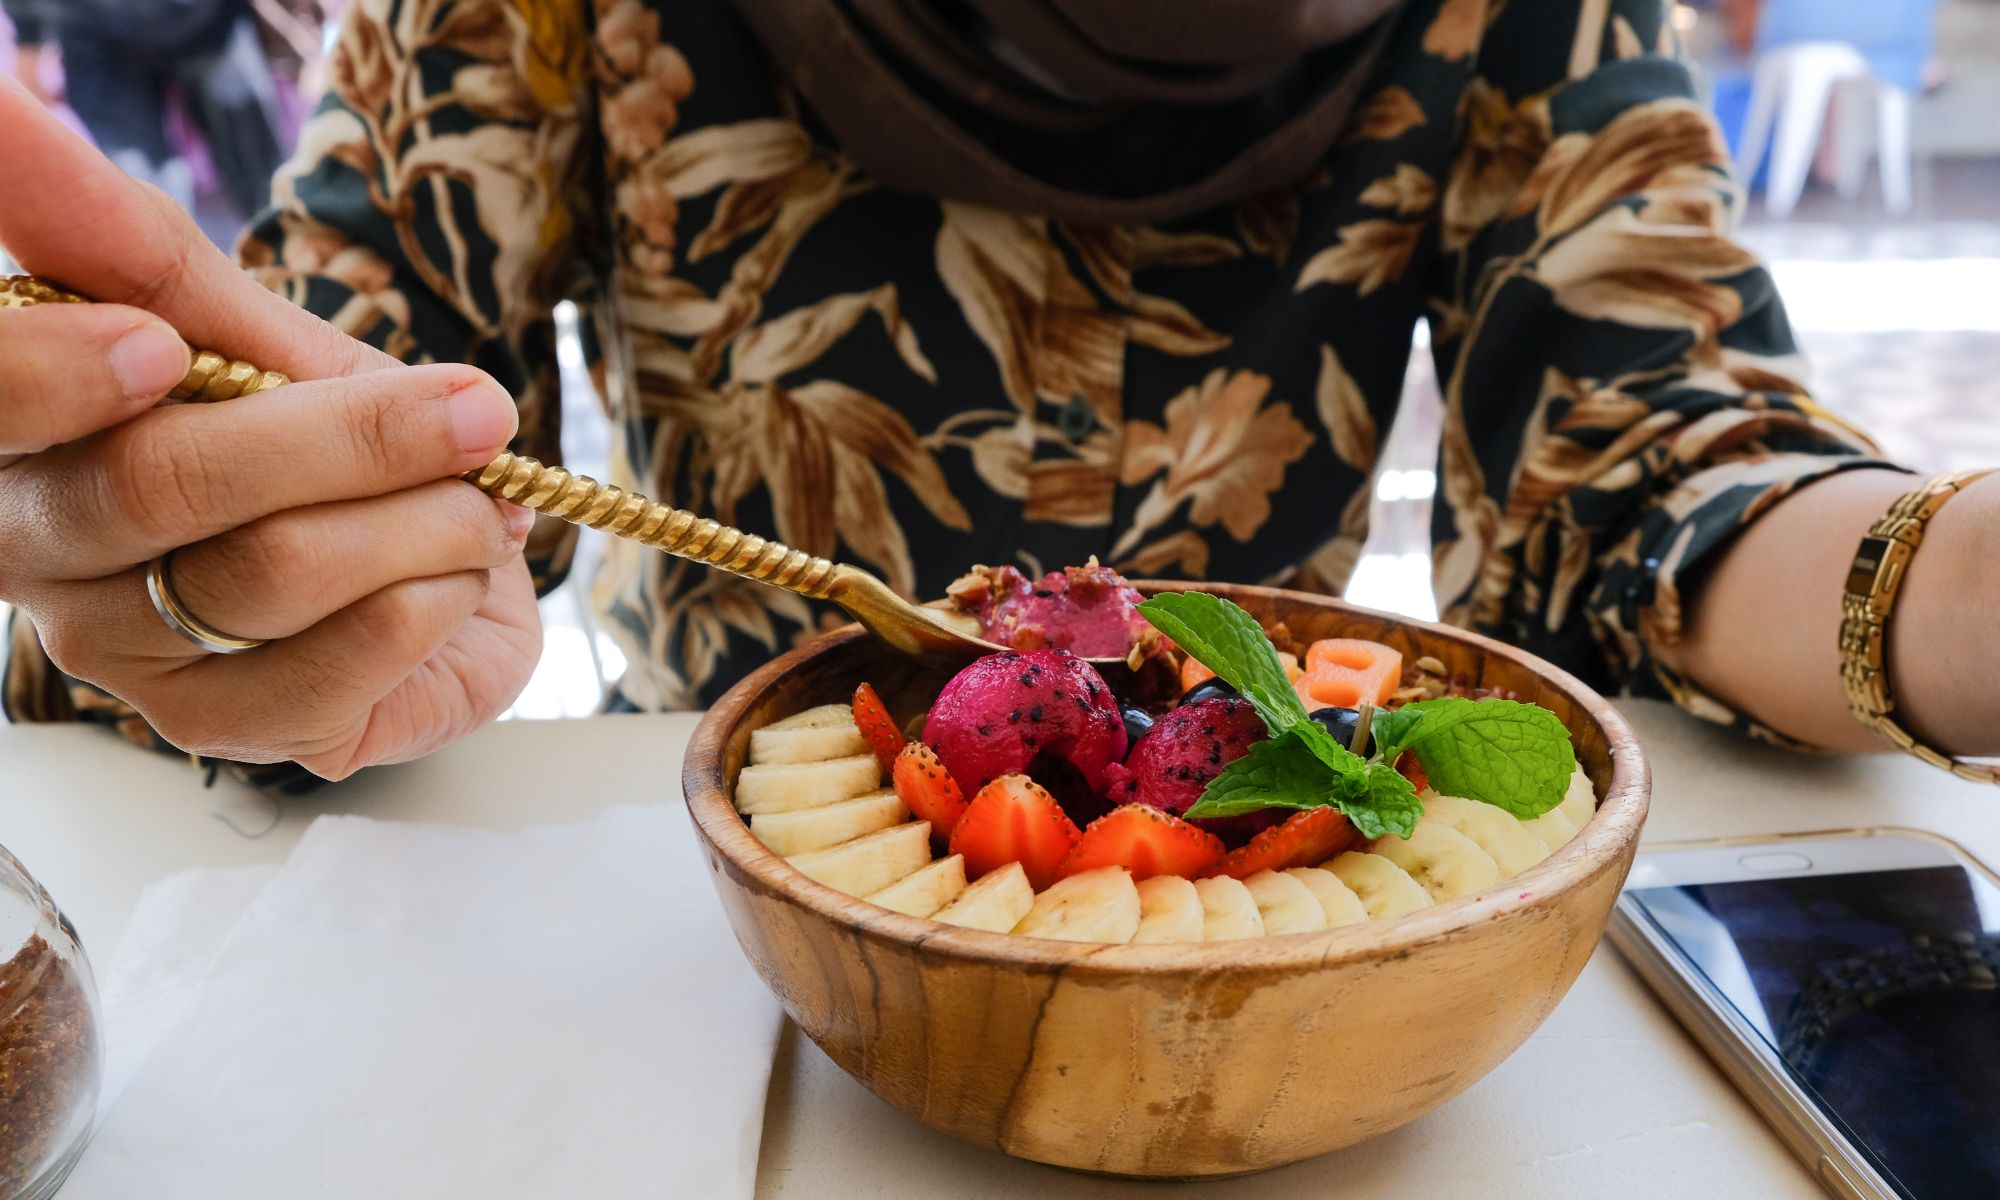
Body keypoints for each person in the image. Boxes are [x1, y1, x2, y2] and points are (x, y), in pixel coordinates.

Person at [1, 0, 1995, 796]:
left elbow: (1656, 469)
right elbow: (320, 382)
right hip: (702, 948)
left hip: (1277, 942)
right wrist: (197, 552)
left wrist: (1954, 589)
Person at [0, 0, 288, 220]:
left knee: (261, 179)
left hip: (209, 27)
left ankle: (289, 278)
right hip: (93, 37)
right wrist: (28, 37)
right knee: (142, 194)